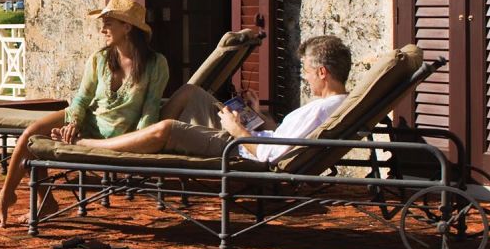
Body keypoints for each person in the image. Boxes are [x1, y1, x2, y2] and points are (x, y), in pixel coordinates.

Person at [0, 0, 168, 228]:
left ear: (127, 27)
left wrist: (137, 145)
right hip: (87, 120)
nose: (103, 28)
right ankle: (7, 196)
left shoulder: (156, 64)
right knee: (30, 135)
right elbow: (82, 98)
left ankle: (45, 203)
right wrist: (73, 121)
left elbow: (150, 109)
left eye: (108, 22)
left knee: (38, 141)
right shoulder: (100, 59)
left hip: (118, 134)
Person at [69, 35, 353, 161]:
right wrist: (258, 116)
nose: (305, 76)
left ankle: (93, 145)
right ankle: (135, 139)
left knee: (166, 130)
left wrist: (236, 129)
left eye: (306, 71)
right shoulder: (335, 105)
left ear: (322, 72)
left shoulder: (319, 110)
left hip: (238, 146)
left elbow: (271, 155)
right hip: (250, 137)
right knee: (191, 92)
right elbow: (282, 137)